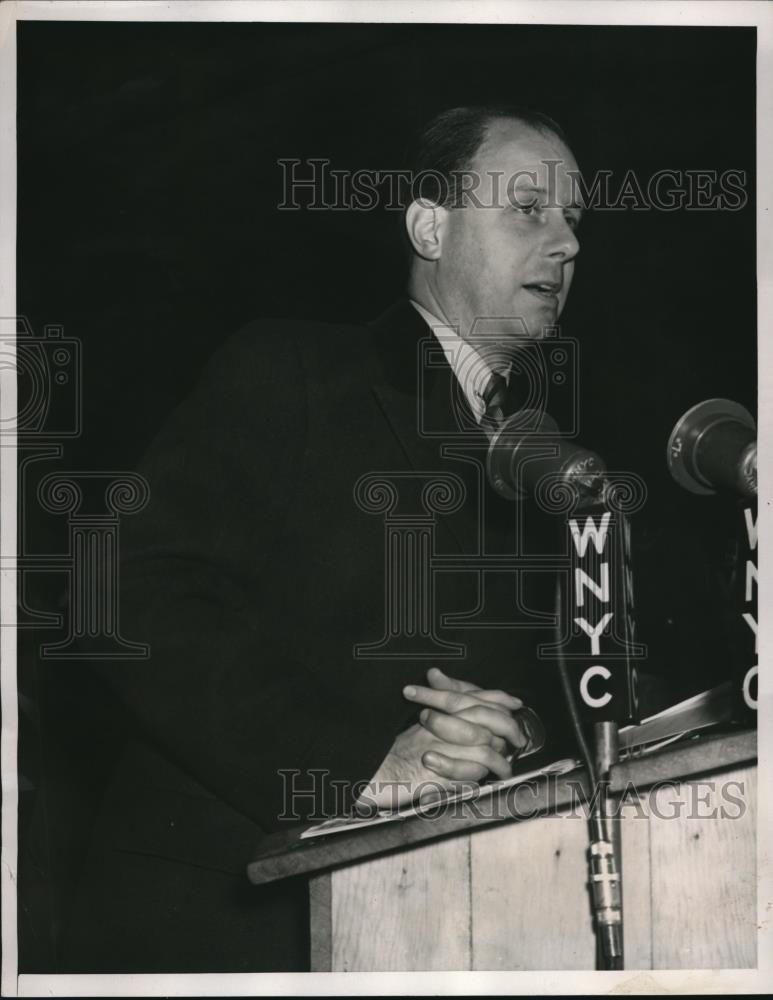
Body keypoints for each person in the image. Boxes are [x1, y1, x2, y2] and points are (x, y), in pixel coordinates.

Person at [60, 106, 582, 973]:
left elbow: (528, 674)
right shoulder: (292, 369)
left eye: (574, 221)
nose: (565, 244)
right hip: (222, 921)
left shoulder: (540, 452)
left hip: (435, 922)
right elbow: (120, 585)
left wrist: (515, 733)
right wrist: (352, 764)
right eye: (529, 209)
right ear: (428, 225)